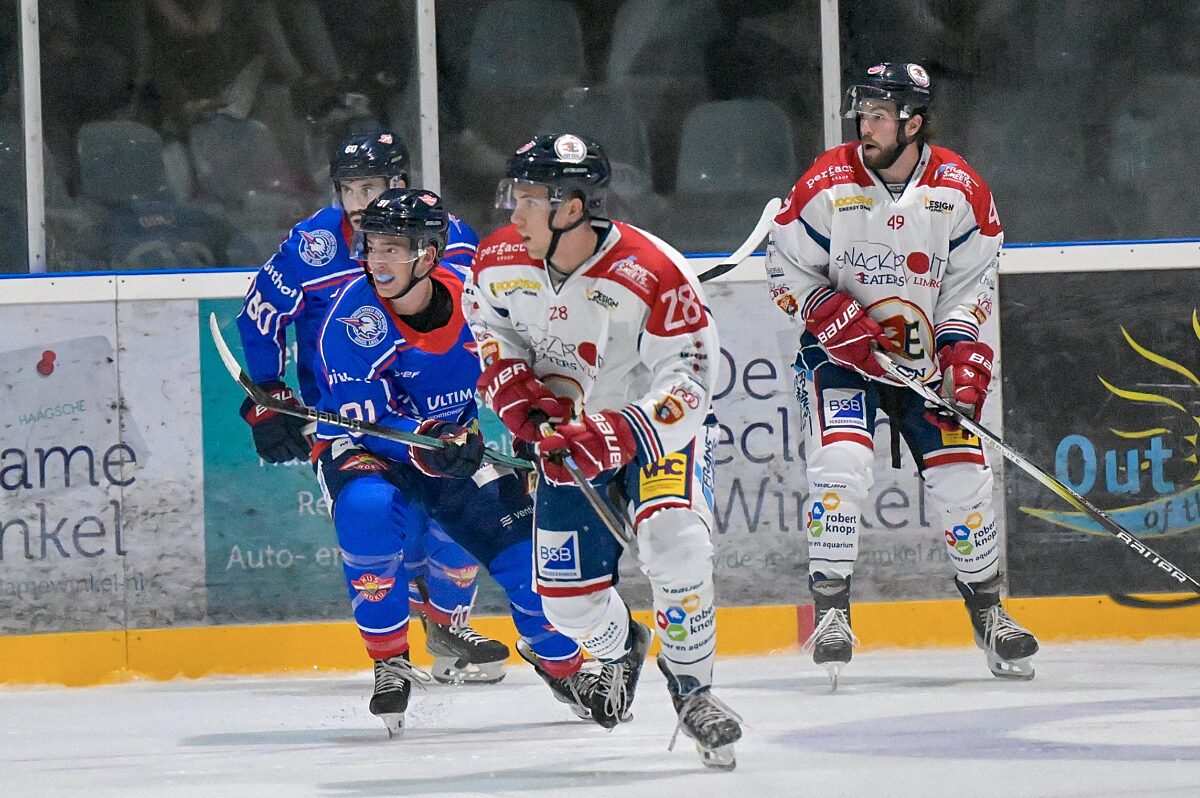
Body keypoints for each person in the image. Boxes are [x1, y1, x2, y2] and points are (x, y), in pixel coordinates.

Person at [464, 133, 742, 769]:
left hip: (653, 437)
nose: (513, 212)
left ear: (570, 207)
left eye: (529, 199)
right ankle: (622, 647)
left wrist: (615, 434)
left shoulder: (654, 271)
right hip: (567, 443)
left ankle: (695, 694)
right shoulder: (498, 258)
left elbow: (690, 380)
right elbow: (491, 328)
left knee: (676, 542)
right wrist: (514, 391)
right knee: (567, 604)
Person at [763, 62, 1039, 686]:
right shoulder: (828, 182)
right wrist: (827, 313)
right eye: (863, 112)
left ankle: (990, 614)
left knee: (965, 477)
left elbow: (971, 284)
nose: (867, 124)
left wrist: (963, 356)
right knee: (841, 463)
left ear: (914, 122)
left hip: (922, 366)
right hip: (841, 362)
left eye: (880, 114)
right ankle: (832, 611)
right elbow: (784, 270)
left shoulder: (960, 189)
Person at [312, 187, 598, 736]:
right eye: (373, 247)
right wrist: (431, 436)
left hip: (452, 447)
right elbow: (373, 422)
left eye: (394, 248)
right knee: (368, 510)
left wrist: (531, 426)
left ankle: (566, 666)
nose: (379, 260)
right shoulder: (353, 320)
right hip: (366, 449)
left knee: (524, 553)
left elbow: (525, 358)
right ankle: (390, 660)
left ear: (429, 253)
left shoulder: (477, 296)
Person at [234, 129, 510, 684]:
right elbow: (259, 315)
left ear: (399, 184)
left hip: (443, 410)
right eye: (348, 189)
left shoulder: (449, 236)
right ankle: (402, 642)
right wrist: (268, 395)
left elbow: (493, 311)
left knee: (455, 523)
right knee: (380, 517)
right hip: (353, 415)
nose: (358, 203)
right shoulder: (312, 244)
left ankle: (449, 625)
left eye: (371, 188)